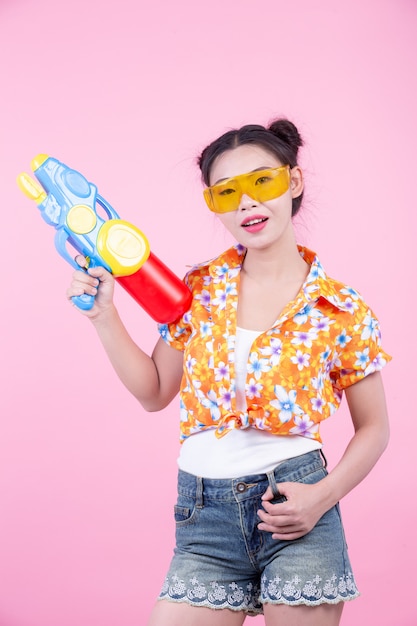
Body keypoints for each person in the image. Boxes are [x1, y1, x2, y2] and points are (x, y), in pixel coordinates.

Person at [67, 119, 391, 626]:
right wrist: (103, 316)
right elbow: (155, 392)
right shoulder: (197, 289)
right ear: (214, 203)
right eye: (227, 192)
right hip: (204, 518)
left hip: (295, 507)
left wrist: (320, 497)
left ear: (294, 182)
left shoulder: (341, 309)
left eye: (263, 182)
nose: (246, 203)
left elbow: (375, 428)